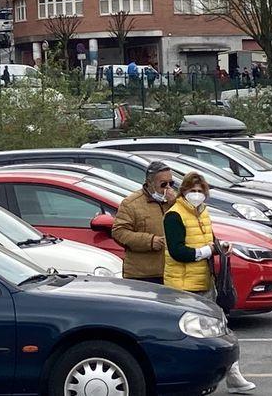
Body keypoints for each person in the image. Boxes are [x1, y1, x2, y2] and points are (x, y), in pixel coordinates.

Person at [163, 173, 255, 394]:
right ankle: (193, 381)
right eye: (192, 190)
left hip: (205, 281)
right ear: (183, 191)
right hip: (183, 285)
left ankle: (233, 377)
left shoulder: (203, 213)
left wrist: (220, 245)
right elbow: (178, 252)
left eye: (200, 191)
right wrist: (208, 251)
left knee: (219, 330)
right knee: (192, 336)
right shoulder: (174, 216)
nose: (197, 195)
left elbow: (208, 240)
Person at [111, 161, 176, 285]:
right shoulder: (131, 204)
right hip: (143, 275)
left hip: (171, 272)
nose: (168, 188)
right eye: (163, 184)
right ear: (150, 183)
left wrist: (175, 204)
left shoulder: (174, 201)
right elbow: (119, 232)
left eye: (171, 183)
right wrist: (149, 241)